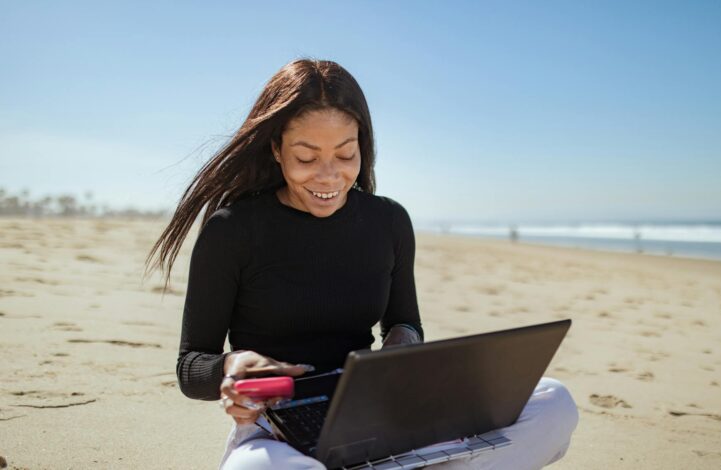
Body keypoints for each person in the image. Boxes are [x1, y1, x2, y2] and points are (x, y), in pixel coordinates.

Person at [147, 59, 578, 470]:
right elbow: (191, 367)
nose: (329, 175)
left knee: (553, 403)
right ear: (276, 149)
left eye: (345, 154)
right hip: (276, 432)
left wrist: (403, 349)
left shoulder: (388, 221)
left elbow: (405, 323)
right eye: (307, 157)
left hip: (381, 416)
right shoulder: (233, 230)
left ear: (362, 147)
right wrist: (231, 366)